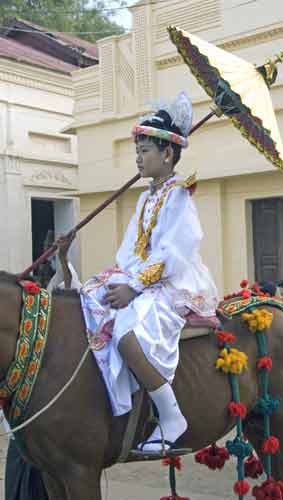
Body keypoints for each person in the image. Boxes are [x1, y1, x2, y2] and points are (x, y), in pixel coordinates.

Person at [76, 92, 218, 455]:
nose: (138, 158)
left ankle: (172, 417)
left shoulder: (179, 195)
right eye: (137, 151)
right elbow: (131, 250)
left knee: (126, 333)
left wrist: (135, 287)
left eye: (144, 151)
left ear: (167, 154)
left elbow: (175, 252)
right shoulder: (145, 198)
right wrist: (121, 279)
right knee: (90, 303)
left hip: (172, 283)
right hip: (140, 278)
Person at [4, 233, 77, 500]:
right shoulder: (17, 315)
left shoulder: (52, 313)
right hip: (21, 434)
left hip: (48, 426)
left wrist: (64, 257)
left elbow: (71, 290)